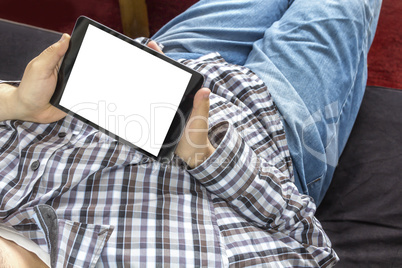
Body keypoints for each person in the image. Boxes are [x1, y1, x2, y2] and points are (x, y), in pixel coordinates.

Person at [0, 0, 381, 266]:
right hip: (271, 118)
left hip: (173, 59)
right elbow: (305, 241)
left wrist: (17, 102)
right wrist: (206, 156)